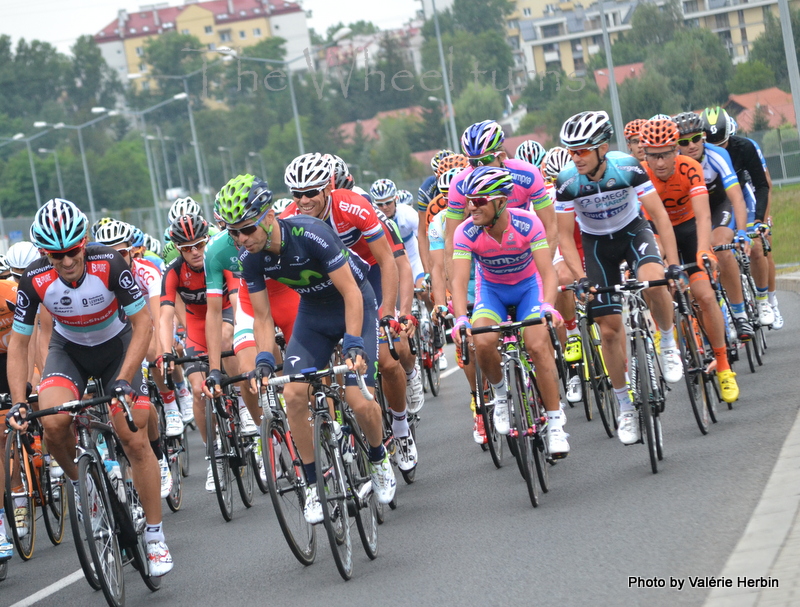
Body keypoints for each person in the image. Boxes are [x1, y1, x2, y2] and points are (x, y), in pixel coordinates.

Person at [6, 198, 173, 576]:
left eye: (73, 251)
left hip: (118, 349)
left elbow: (143, 324)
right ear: (44, 253)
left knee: (133, 433)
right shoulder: (34, 279)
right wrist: (19, 402)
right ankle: (84, 488)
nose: (66, 262)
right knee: (52, 423)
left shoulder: (109, 263)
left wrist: (122, 381)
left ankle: (155, 536)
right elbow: (18, 343)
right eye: (56, 255)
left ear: (85, 241)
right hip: (71, 352)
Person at [228, 180, 397, 523]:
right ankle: (311, 484)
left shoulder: (312, 233)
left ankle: (379, 459)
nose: (242, 239)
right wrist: (263, 358)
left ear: (269, 216)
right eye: (234, 233)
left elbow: (351, 291)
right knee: (292, 394)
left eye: (247, 229)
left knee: (358, 398)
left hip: (354, 305)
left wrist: (352, 343)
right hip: (313, 315)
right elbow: (262, 317)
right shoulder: (250, 258)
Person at [555, 111, 684, 446]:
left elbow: (658, 216)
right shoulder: (567, 181)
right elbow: (565, 237)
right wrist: (581, 277)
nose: (576, 157)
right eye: (571, 150)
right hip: (597, 246)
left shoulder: (626, 166)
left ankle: (667, 342)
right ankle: (625, 404)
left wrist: (671, 263)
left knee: (654, 280)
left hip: (632, 233)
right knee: (610, 330)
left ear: (602, 147)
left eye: (582, 150)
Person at [450, 166, 570, 456]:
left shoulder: (528, 223)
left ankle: (555, 424)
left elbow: (548, 271)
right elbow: (458, 278)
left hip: (530, 287)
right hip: (492, 293)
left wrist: (548, 306)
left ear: (500, 201)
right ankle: (501, 394)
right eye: (468, 200)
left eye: (478, 201)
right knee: (482, 341)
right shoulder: (465, 232)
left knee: (538, 346)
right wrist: (460, 319)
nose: (471, 207)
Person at [639, 118, 739, 403]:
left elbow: (704, 215)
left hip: (691, 228)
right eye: (652, 155)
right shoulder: (641, 174)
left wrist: (704, 250)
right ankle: (668, 333)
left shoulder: (690, 168)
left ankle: (722, 366)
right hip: (658, 231)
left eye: (666, 154)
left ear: (675, 150)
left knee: (704, 296)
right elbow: (644, 222)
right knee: (656, 280)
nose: (659, 163)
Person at [94, 220, 177, 497]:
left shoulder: (147, 271)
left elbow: (154, 320)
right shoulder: (96, 279)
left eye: (122, 253)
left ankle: (161, 445)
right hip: (117, 336)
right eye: (110, 254)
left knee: (152, 356)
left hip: (144, 328)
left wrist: (158, 353)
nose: (116, 260)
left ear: (133, 253)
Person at [672, 111, 754, 340]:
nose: (691, 146)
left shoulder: (717, 155)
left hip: (720, 206)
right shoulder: (675, 164)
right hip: (693, 214)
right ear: (676, 145)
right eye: (684, 142)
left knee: (720, 246)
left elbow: (737, 197)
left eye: (696, 138)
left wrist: (742, 233)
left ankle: (739, 315)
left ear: (704, 137)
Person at [701, 106, 774, 327]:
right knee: (719, 250)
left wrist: (760, 220)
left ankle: (763, 300)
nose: (718, 150)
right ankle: (733, 304)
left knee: (757, 246)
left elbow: (762, 185)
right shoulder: (695, 153)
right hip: (715, 201)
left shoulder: (745, 147)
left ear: (730, 137)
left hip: (741, 194)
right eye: (712, 146)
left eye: (722, 144)